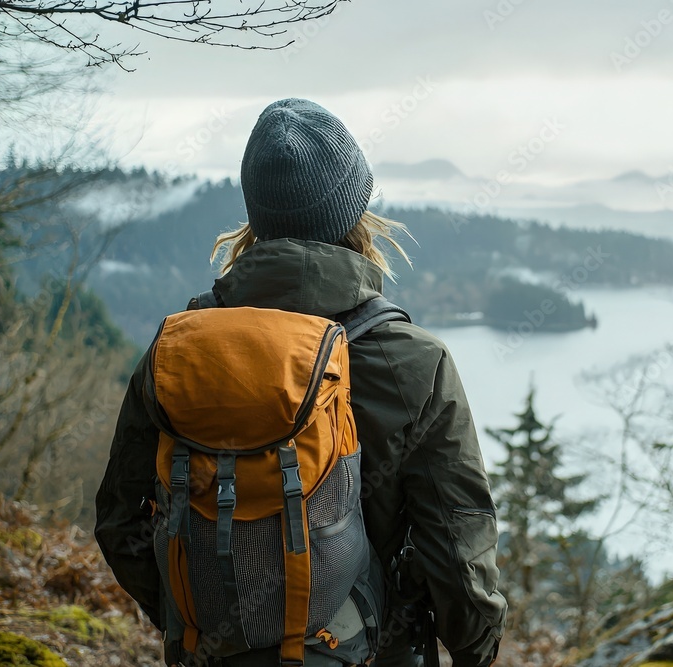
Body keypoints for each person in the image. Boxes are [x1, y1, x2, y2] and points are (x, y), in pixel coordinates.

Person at [94, 98, 507, 666]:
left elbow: (121, 525)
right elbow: (459, 555)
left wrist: (202, 622)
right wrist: (475, 651)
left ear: (255, 217)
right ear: (356, 214)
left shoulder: (179, 354)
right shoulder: (414, 364)